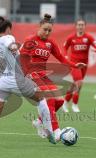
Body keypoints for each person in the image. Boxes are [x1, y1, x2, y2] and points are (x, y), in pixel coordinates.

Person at [0, 5, 56, 146]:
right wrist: (13, 47)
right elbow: (10, 44)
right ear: (8, 29)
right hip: (15, 80)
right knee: (41, 99)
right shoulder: (8, 37)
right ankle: (50, 132)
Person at [20, 14, 86, 142]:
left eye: (50, 30)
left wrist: (74, 65)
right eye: (45, 29)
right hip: (31, 76)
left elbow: (61, 58)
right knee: (50, 99)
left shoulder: (51, 43)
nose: (47, 32)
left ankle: (39, 122)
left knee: (60, 101)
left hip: (43, 75)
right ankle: (56, 131)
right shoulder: (30, 40)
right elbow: (22, 59)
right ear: (39, 27)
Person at [61, 19, 96, 112]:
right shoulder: (71, 37)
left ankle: (65, 102)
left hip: (84, 65)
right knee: (79, 83)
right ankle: (75, 105)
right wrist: (66, 55)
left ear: (85, 26)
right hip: (74, 64)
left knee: (76, 85)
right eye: (79, 25)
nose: (80, 26)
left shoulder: (88, 37)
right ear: (75, 26)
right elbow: (65, 47)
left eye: (82, 25)